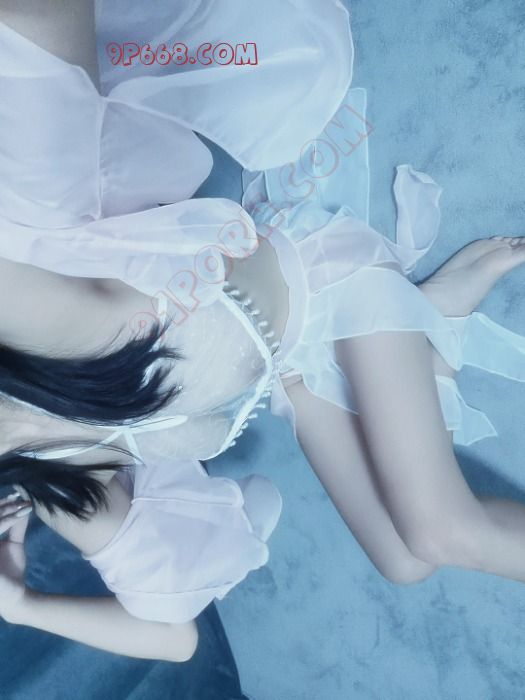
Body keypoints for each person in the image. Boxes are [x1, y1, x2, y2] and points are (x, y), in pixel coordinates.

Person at [1, 0, 525, 664]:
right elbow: (173, 636)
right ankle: (435, 323)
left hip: (330, 277)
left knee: (442, 533)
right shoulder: (50, 477)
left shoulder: (27, 317)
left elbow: (35, 27)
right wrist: (20, 605)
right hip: (295, 370)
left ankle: (425, 324)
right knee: (404, 565)